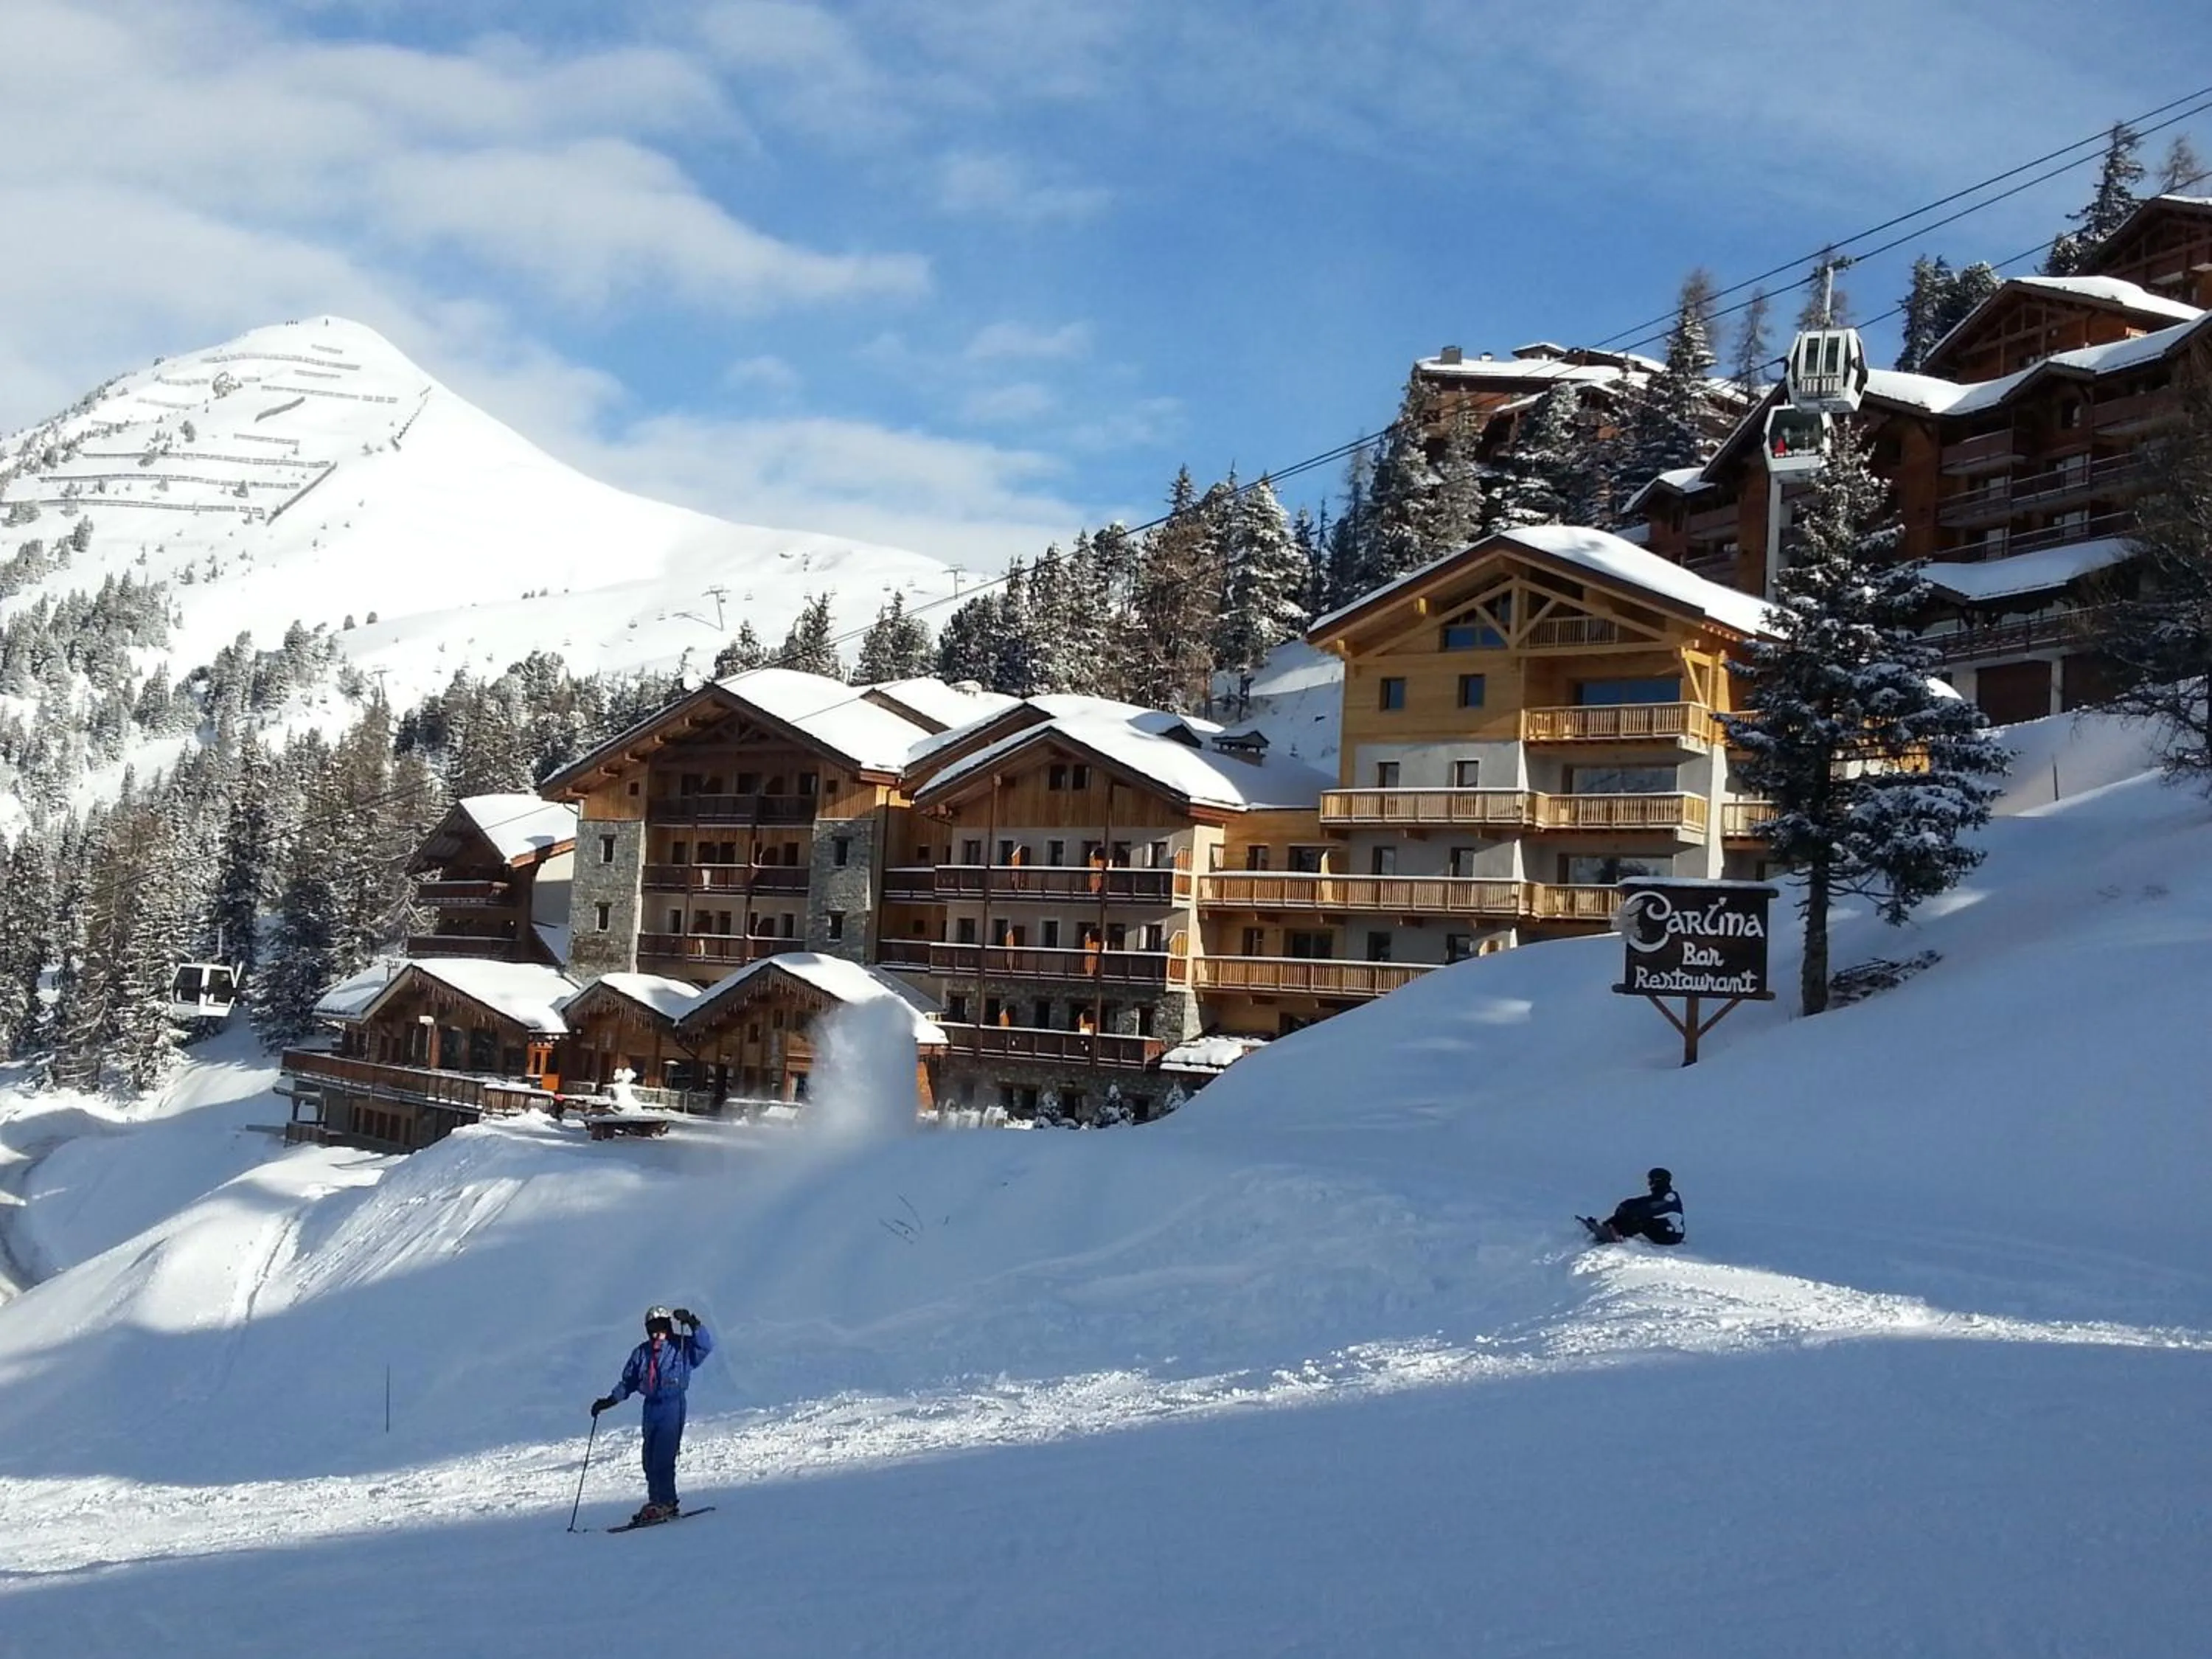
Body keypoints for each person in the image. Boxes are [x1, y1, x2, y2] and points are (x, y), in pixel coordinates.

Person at [592, 1305, 713, 1526]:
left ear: (668, 1327)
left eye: (662, 1328)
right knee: (649, 1457)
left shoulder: (681, 1346)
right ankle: (656, 1500)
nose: (658, 1334)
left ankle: (667, 1501)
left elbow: (705, 1347)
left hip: (672, 1404)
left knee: (664, 1456)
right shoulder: (642, 1352)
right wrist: (610, 1401)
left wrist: (694, 1324)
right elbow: (629, 1381)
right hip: (651, 1407)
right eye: (653, 1329)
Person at [1581, 1168, 1685, 1246]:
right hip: (1665, 1229)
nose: (1649, 1184)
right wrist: (1625, 1205)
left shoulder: (1670, 1198)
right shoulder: (1660, 1195)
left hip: (1672, 1235)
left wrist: (1629, 1210)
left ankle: (1617, 1233)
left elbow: (1649, 1210)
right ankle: (1607, 1226)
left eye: (1651, 1181)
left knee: (1640, 1219)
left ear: (1657, 1181)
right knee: (1631, 1212)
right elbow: (1642, 1201)